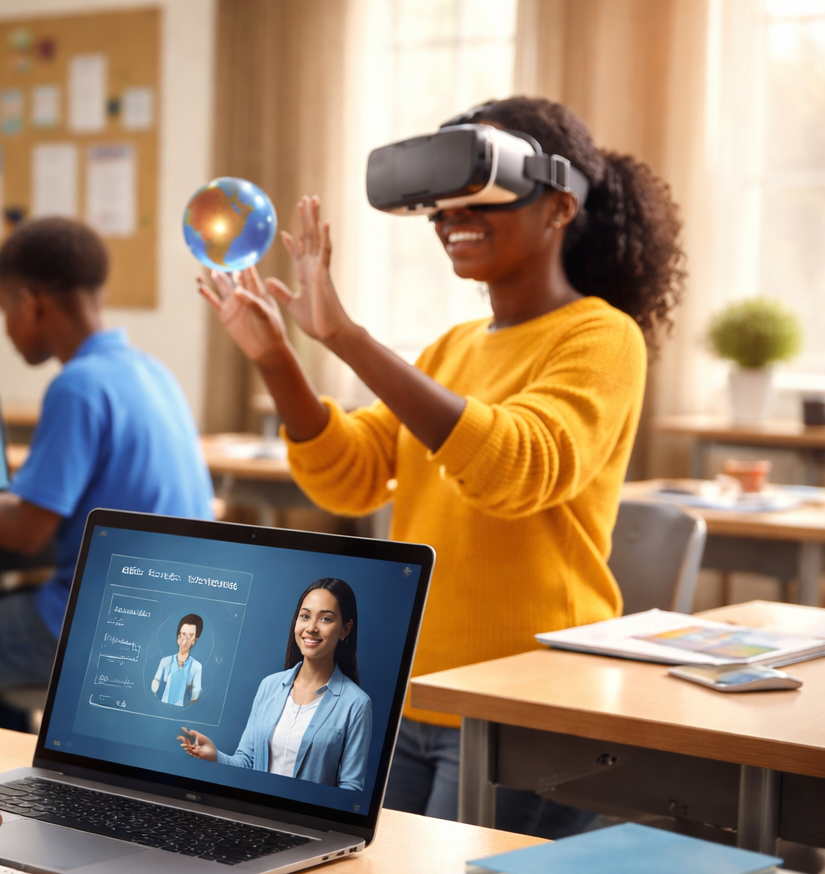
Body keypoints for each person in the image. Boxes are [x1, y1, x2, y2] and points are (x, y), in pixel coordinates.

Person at [199, 97, 685, 833]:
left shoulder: (602, 337)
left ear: (560, 206)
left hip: (524, 702)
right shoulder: (451, 348)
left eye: (482, 194)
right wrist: (277, 361)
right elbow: (350, 475)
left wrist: (347, 338)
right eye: (443, 203)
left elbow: (515, 466)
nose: (454, 216)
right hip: (414, 692)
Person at [0, 218, 215, 733]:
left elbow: (26, 534)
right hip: (170, 616)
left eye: (3, 310)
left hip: (93, 622)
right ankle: (4, 778)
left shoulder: (77, 385)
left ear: (31, 303)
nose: (5, 328)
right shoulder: (152, 371)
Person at [180, 580, 372, 789]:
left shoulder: (357, 705)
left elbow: (350, 788)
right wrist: (216, 756)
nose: (311, 628)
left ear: (345, 629)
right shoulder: (269, 686)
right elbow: (247, 762)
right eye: (305, 616)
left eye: (325, 618)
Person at [152, 614, 204, 706]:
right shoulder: (165, 661)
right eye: (183, 634)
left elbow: (196, 694)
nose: (185, 639)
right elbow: (156, 681)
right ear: (178, 637)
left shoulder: (196, 667)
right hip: (162, 705)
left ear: (194, 640)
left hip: (180, 708)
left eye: (190, 635)